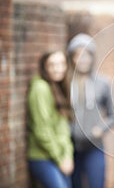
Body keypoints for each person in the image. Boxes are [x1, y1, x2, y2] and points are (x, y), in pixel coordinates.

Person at [67, 33, 114, 188]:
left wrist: (100, 130)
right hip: (69, 148)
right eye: (78, 55)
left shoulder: (103, 82)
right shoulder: (65, 83)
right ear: (72, 58)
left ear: (92, 57)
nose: (82, 59)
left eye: (86, 55)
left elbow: (113, 115)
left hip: (94, 147)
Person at [27, 51, 74, 188]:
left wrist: (68, 156)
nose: (57, 68)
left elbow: (64, 129)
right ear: (45, 67)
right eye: (52, 64)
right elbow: (42, 129)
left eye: (61, 64)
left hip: (60, 157)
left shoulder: (58, 87)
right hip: (42, 157)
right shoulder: (40, 88)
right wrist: (60, 159)